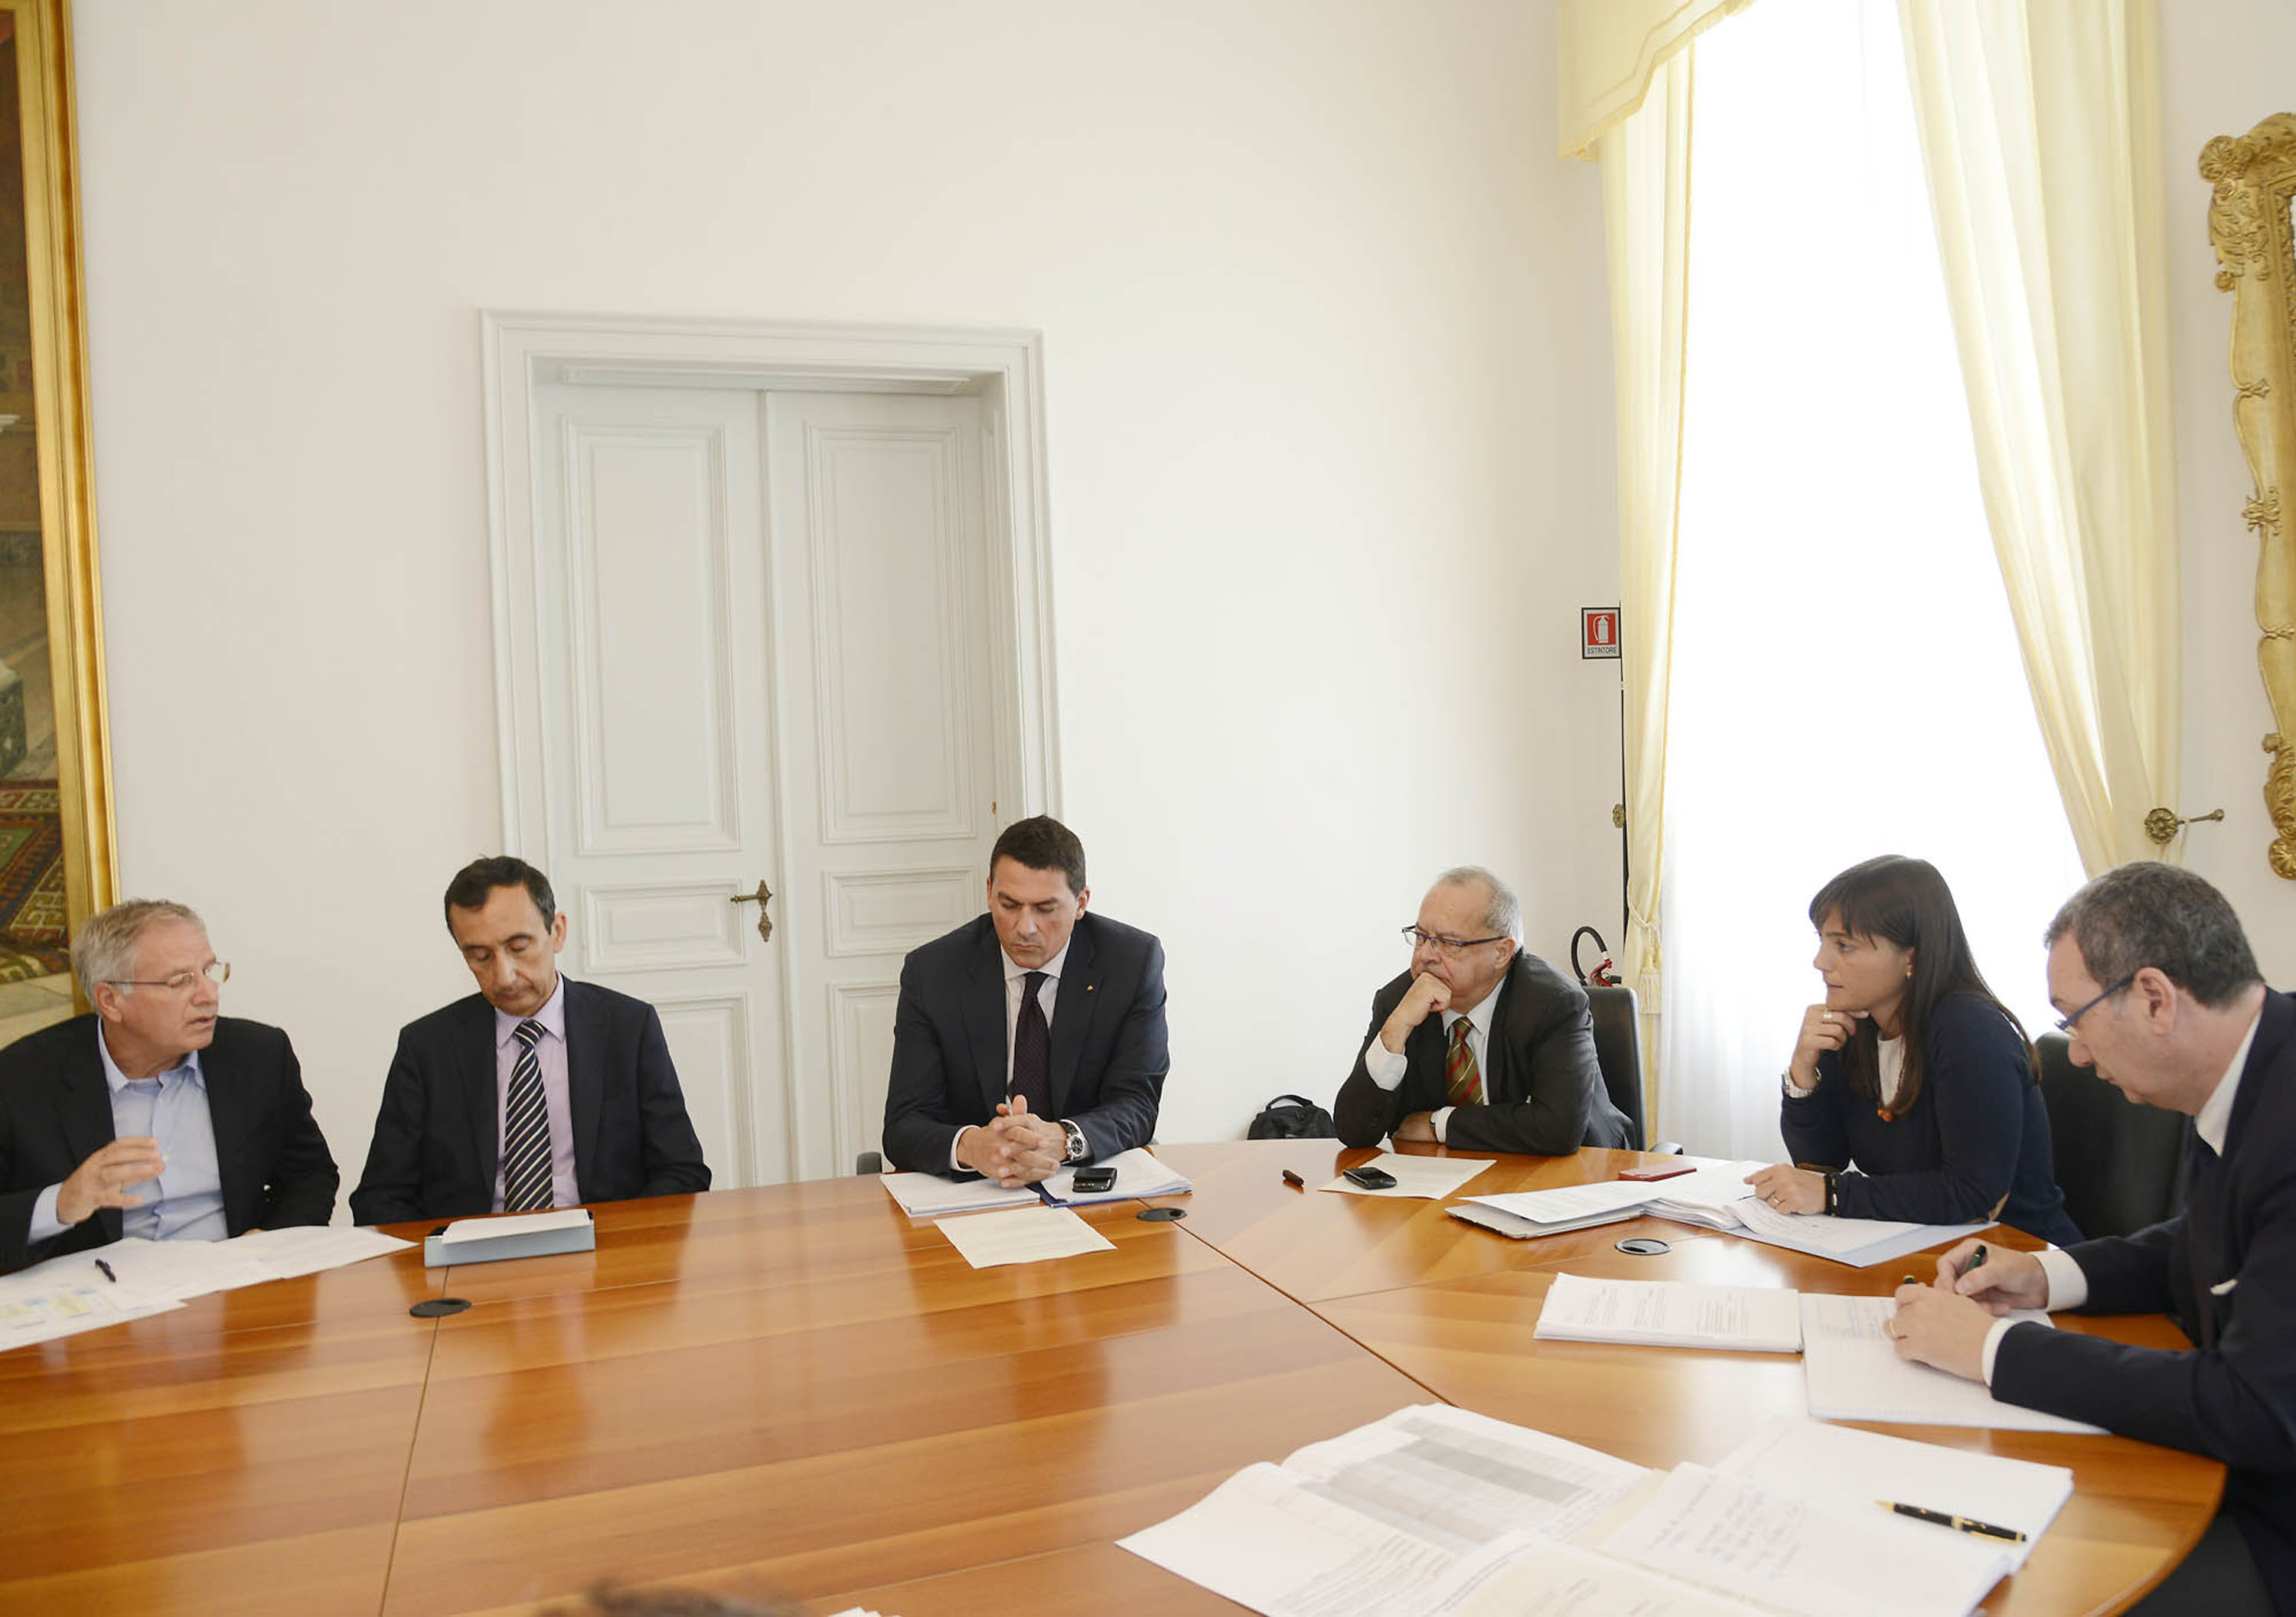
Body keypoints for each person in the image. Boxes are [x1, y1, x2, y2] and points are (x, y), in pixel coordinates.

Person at [1891, 862, 2293, 1615]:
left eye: (2073, 1018)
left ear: (2154, 997)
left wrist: (1991, 1349)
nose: (2073, 1054)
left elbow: (2253, 1409)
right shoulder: (2257, 1066)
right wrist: (2046, 1274)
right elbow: (2203, 1247)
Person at [349, 857, 710, 1222]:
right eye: (479, 956)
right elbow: (379, 1197)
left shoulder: (628, 1028)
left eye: (519, 947)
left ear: (557, 932)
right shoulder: (427, 1048)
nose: (503, 976)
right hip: (471, 1262)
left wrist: (615, 1243)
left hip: (602, 1250)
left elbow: (682, 1172)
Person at [1745, 856, 2082, 1245]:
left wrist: (1832, 1193)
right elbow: (1822, 1162)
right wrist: (1804, 1072)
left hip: (2018, 1259)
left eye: (1844, 945)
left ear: (1912, 956)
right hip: (1920, 1248)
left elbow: (1972, 1194)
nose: (1821, 962)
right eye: (1822, 941)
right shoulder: (1857, 1023)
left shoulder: (1970, 1029)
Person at [0, 898, 337, 1272]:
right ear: (110, 1001)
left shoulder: (259, 1056)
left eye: (209, 971)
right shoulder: (22, 1079)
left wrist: (271, 1240)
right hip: (100, 1302)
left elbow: (311, 1175)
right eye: (180, 981)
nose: (208, 994)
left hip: (234, 1288)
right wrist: (60, 1203)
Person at [882, 815, 1167, 1185]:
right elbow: (904, 1124)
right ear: (989, 892)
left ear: (1081, 903)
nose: (1024, 927)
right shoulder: (933, 973)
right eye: (1009, 905)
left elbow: (1138, 1104)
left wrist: (1064, 1139)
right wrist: (972, 1147)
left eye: (1045, 909)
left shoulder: (1130, 963)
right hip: (974, 1188)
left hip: (1085, 1179)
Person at [1334, 866, 1631, 1154]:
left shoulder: (1553, 1003)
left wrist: (1440, 1123)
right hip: (1452, 1178)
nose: (1425, 955)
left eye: (1447, 943)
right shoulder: (1399, 1000)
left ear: (1501, 952)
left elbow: (1558, 1129)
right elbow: (1353, 1131)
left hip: (1582, 1174)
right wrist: (1395, 1030)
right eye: (1421, 937)